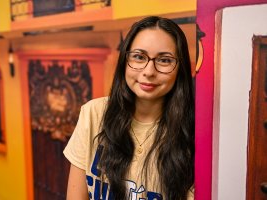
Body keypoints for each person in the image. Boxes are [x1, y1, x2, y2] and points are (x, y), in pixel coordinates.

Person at [64, 16, 195, 200]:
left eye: (164, 60)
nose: (149, 71)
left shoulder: (193, 134)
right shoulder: (94, 113)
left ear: (179, 68)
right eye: (139, 57)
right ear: (125, 61)